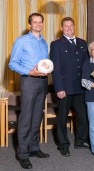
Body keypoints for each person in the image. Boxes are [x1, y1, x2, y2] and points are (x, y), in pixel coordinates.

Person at [9, 13, 50, 169]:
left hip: (43, 83)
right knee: (26, 118)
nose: (38, 24)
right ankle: (22, 154)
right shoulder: (21, 41)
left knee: (37, 117)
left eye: (40, 22)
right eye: (35, 22)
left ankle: (34, 148)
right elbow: (13, 64)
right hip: (29, 82)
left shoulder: (44, 42)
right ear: (30, 24)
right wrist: (29, 71)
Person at [50, 17, 89, 157]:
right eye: (66, 26)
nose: (68, 28)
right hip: (65, 88)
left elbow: (87, 66)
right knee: (62, 118)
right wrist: (59, 88)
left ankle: (80, 140)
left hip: (81, 88)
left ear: (74, 26)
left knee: (83, 116)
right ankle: (63, 144)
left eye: (71, 26)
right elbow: (56, 68)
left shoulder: (83, 43)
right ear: (62, 28)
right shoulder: (56, 44)